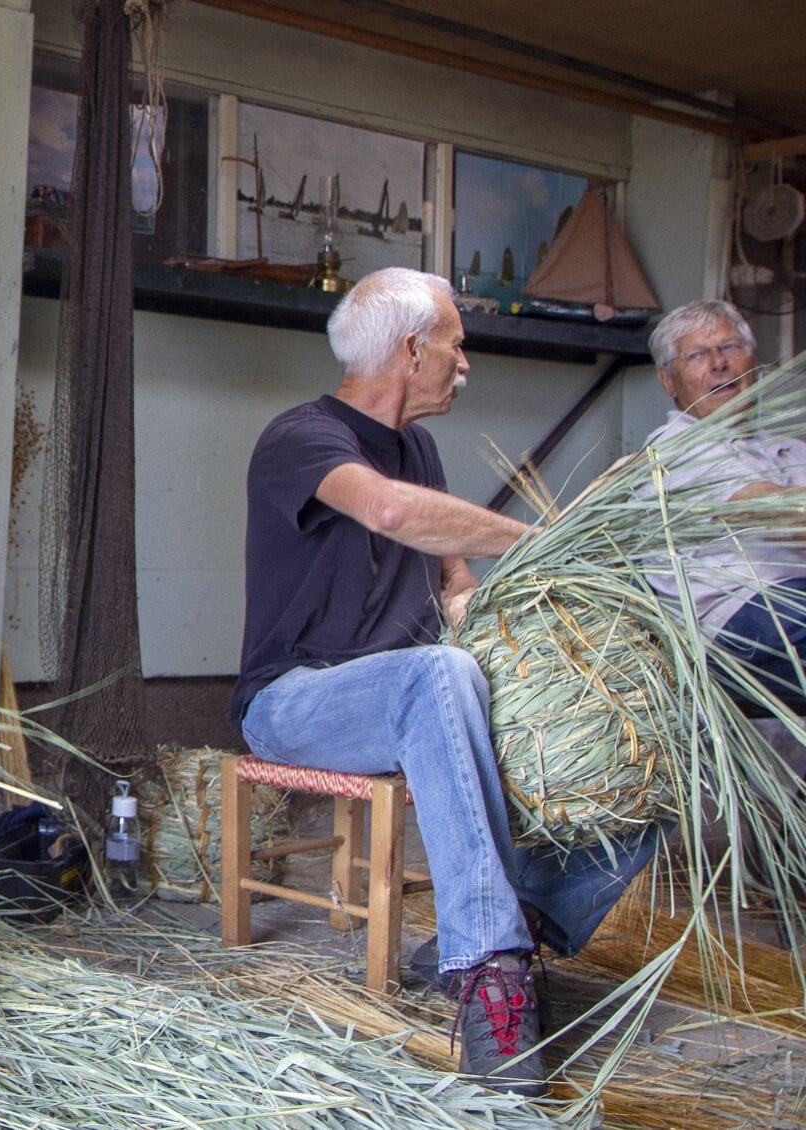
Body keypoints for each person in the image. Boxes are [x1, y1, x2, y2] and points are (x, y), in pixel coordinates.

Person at [230, 267, 657, 1097]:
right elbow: (389, 513)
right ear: (412, 347)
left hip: (424, 691)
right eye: (457, 345)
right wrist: (539, 538)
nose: (466, 363)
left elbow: (453, 581)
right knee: (436, 674)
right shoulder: (302, 435)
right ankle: (490, 978)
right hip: (296, 700)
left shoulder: (417, 446)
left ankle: (520, 918)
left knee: (644, 746)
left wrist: (512, 636)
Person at [638, 300, 806, 707]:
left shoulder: (791, 450)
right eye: (697, 354)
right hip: (733, 626)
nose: (718, 363)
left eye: (730, 347)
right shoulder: (673, 448)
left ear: (754, 360)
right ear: (668, 380)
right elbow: (787, 517)